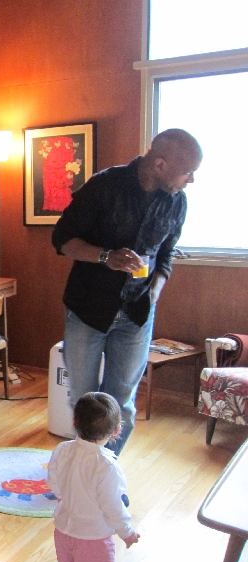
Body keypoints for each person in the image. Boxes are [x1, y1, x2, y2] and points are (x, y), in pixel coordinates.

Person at [51, 128, 203, 456]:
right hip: (88, 308)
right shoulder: (104, 186)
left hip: (137, 313)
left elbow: (166, 253)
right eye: (188, 172)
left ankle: (106, 468)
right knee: (84, 402)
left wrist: (155, 290)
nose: (191, 180)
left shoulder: (177, 202)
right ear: (160, 164)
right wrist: (106, 257)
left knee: (123, 405)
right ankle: (83, 468)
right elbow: (63, 239)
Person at [47, 392, 140, 562]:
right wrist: (127, 533)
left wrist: (64, 497)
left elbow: (53, 480)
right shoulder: (106, 466)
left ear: (74, 421)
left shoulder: (62, 450)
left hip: (62, 532)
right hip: (93, 540)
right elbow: (113, 507)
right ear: (116, 430)